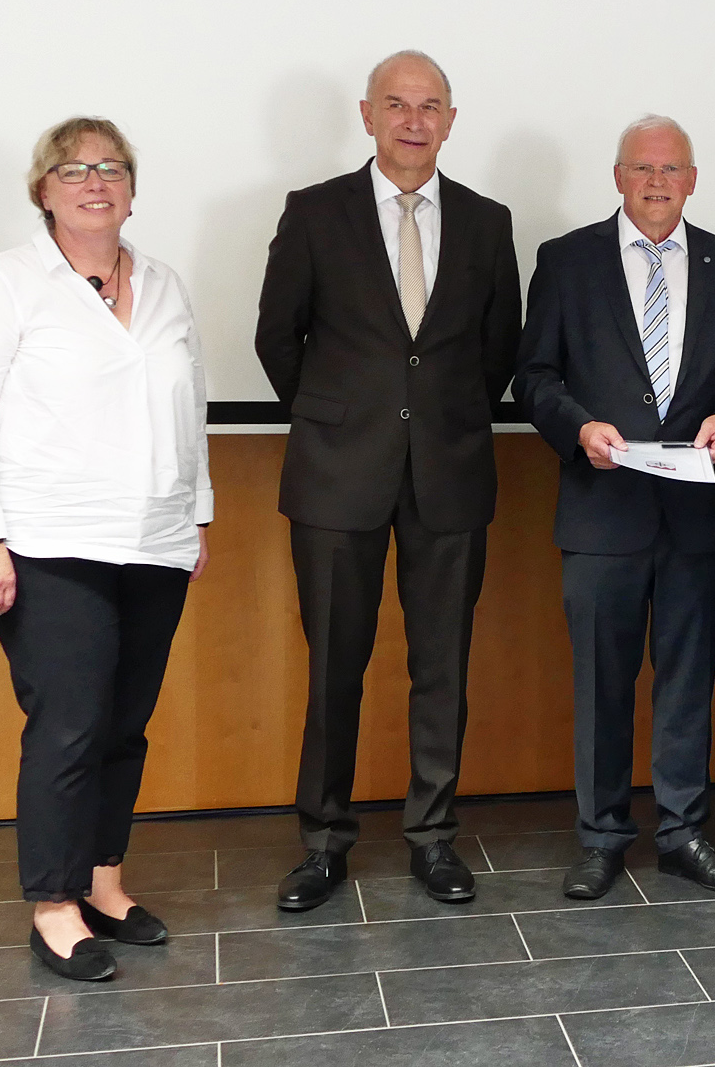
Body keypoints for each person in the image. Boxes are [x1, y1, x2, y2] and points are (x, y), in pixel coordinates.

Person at [0, 117, 211, 981]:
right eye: (75, 169)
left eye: (112, 168)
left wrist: (195, 514)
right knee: (71, 723)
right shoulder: (3, 283)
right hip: (45, 541)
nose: (96, 182)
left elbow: (189, 406)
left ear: (132, 188)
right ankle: (55, 906)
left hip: (154, 539)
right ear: (43, 189)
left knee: (124, 724)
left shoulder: (162, 283)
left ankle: (103, 882)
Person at [254, 51, 521, 912]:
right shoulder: (314, 211)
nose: (414, 121)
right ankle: (324, 843)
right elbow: (276, 335)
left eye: (430, 106)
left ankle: (433, 837)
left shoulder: (486, 221)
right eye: (397, 105)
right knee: (336, 664)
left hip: (450, 472)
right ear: (367, 115)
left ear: (451, 120)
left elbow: (498, 347)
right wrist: (336, 418)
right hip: (337, 476)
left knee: (443, 666)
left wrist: (439, 418)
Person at [516, 115, 715, 901]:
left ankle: (683, 834)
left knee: (687, 681)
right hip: (601, 511)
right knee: (602, 685)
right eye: (642, 168)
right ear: (618, 177)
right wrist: (577, 428)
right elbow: (534, 376)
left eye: (671, 169)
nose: (657, 182)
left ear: (692, 180)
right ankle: (601, 839)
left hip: (695, 515)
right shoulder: (567, 261)